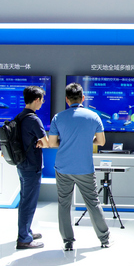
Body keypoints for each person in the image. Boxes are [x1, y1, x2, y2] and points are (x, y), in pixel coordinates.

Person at [48, 83, 110, 251]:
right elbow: (101, 142)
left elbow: (52, 143)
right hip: (85, 168)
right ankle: (104, 239)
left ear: (67, 99)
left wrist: (66, 142)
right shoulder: (94, 116)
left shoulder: (58, 118)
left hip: (63, 167)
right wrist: (87, 140)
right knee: (93, 202)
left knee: (64, 204)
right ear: (83, 98)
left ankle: (68, 241)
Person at [15, 86, 49, 250]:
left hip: (22, 164)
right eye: (42, 99)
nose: (43, 102)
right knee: (28, 203)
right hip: (32, 166)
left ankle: (26, 231)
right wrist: (42, 142)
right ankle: (24, 239)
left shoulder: (20, 116)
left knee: (25, 200)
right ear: (36, 99)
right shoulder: (34, 120)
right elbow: (47, 142)